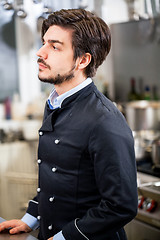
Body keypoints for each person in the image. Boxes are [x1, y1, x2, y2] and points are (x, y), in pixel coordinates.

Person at [0, 8, 137, 240]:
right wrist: (30, 218)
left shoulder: (105, 120)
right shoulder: (55, 102)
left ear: (83, 60)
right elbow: (57, 176)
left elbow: (121, 206)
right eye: (44, 43)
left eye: (55, 46)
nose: (40, 52)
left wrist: (66, 236)